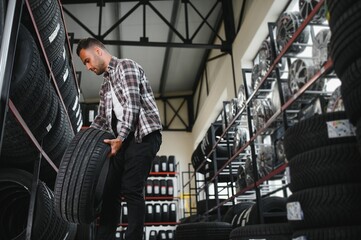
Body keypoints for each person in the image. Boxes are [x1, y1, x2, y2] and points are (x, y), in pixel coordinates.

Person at [76, 37, 162, 240]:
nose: (87, 67)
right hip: (123, 140)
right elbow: (102, 120)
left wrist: (121, 137)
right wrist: (82, 138)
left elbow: (133, 104)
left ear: (98, 51)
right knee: (109, 190)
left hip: (143, 135)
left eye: (87, 60)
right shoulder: (105, 86)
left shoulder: (126, 66)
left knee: (131, 188)